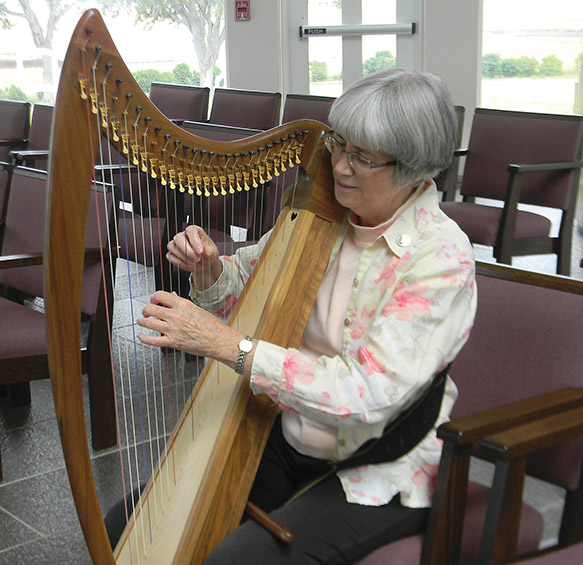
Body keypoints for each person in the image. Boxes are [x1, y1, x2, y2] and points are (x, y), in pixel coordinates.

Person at [134, 67, 477, 563]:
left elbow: (367, 394)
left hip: (373, 468)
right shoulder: (324, 217)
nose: (339, 166)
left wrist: (227, 346)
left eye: (363, 157)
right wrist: (210, 269)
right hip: (287, 436)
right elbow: (242, 289)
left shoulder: (440, 259)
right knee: (135, 517)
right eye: (339, 144)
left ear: (415, 169)